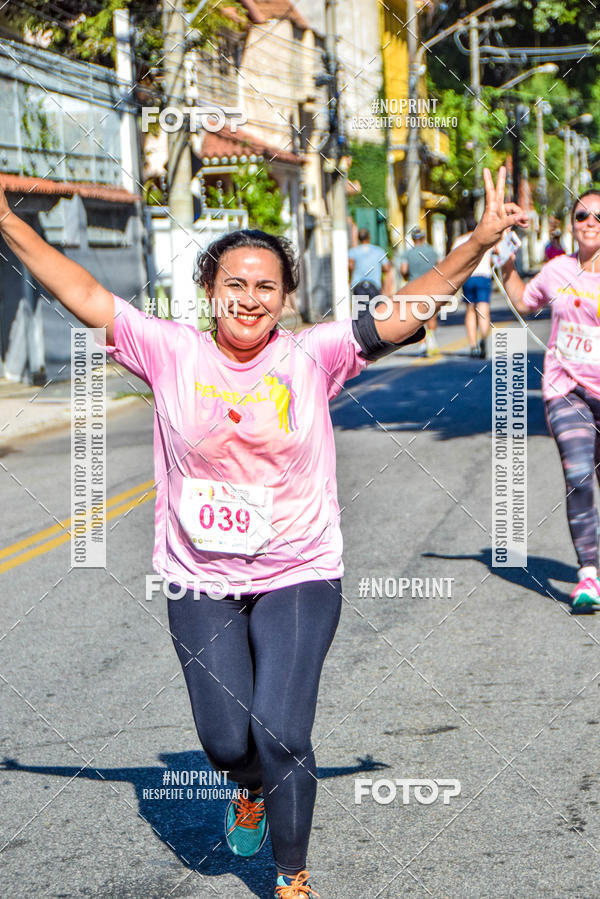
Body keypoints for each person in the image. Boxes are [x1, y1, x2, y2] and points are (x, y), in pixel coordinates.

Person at [0, 167, 526, 897]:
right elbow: (80, 291)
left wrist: (476, 240)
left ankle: (290, 875)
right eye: (236, 284)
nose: (251, 299)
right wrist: (8, 221)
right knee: (226, 742)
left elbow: (406, 307)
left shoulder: (313, 353)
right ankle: (246, 786)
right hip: (198, 575)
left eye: (266, 287)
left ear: (286, 297)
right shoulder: (168, 349)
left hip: (299, 569)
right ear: (211, 291)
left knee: (281, 730)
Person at [500, 189, 600, 612]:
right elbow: (524, 302)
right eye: (582, 214)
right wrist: (504, 255)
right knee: (578, 475)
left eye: (599, 215)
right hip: (565, 388)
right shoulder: (558, 270)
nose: (590, 221)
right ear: (572, 223)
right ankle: (589, 575)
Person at [452, 217, 493, 358]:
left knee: (470, 310)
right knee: (483, 309)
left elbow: (454, 260)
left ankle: (473, 345)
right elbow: (495, 257)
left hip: (468, 277)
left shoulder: (460, 240)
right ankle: (483, 339)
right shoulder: (486, 238)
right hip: (483, 277)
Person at [395, 227, 441, 356]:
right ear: (424, 237)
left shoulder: (408, 253)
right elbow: (440, 266)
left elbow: (404, 270)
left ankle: (422, 344)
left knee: (418, 317)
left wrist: (406, 276)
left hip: (414, 287)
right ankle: (432, 338)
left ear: (413, 239)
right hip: (432, 286)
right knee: (432, 314)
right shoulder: (432, 251)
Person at [348, 227, 392, 297]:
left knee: (359, 307)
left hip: (358, 287)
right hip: (374, 286)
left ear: (358, 238)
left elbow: (350, 266)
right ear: (369, 237)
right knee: (374, 307)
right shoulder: (378, 251)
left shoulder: (353, 251)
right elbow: (386, 268)